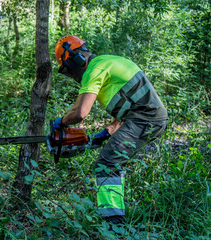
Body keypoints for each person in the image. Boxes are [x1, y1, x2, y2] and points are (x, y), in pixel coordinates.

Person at [53, 35, 168, 225]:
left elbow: (80, 112)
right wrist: (107, 132)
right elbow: (130, 104)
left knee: (107, 164)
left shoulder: (94, 69)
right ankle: (114, 217)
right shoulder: (110, 61)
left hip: (145, 119)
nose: (72, 75)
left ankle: (113, 224)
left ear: (76, 58)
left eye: (68, 69)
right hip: (147, 117)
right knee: (111, 161)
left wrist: (62, 122)